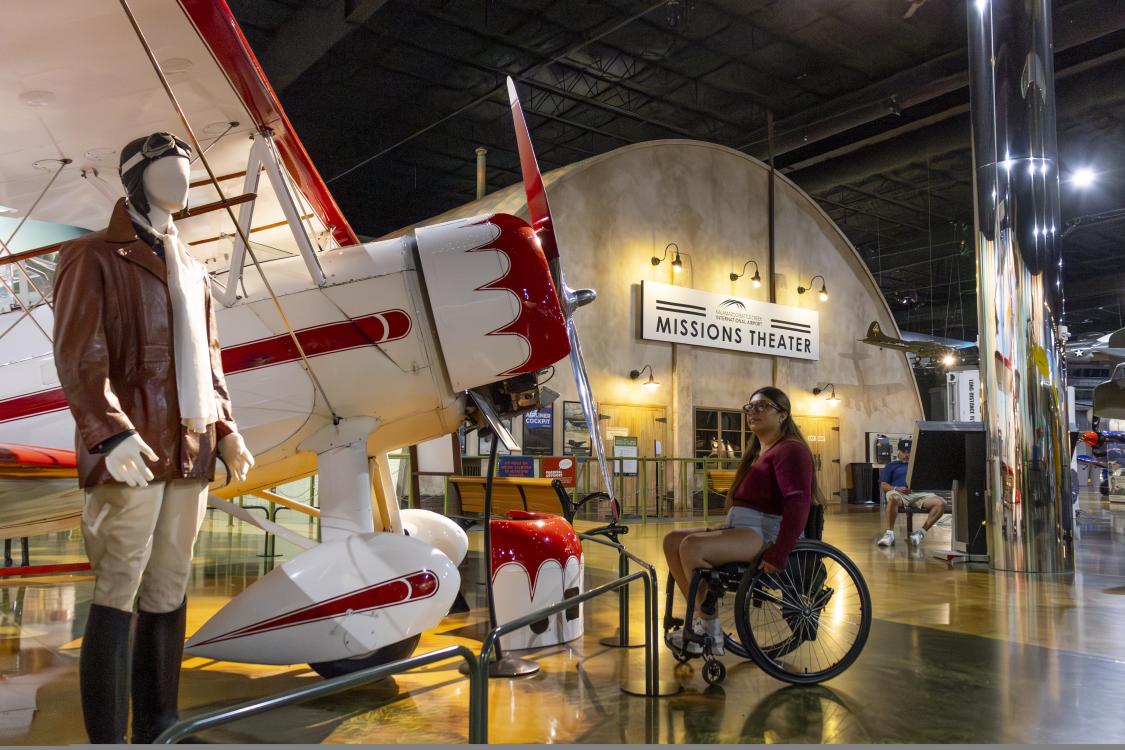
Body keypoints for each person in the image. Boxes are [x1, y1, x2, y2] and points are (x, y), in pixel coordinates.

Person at [52, 132, 254, 743]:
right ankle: (109, 739)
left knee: (168, 585)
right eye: (167, 168)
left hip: (189, 445)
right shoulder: (91, 256)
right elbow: (79, 356)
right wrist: (110, 434)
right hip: (133, 448)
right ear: (137, 178)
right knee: (118, 588)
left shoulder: (189, 263)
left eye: (186, 168)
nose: (182, 179)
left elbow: (210, 360)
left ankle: (160, 725)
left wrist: (225, 429)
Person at [663, 386, 816, 655]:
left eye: (762, 406)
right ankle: (701, 617)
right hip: (745, 527)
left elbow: (798, 502)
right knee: (672, 540)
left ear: (782, 415)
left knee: (691, 547)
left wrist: (780, 551)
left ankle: (708, 630)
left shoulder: (791, 450)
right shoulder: (761, 451)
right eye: (750, 407)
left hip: (767, 531)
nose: (753, 412)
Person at [875, 439, 944, 547]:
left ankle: (920, 533)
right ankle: (889, 534)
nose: (906, 454)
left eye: (909, 452)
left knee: (940, 503)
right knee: (893, 498)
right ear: (898, 452)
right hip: (899, 493)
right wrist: (896, 488)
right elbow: (883, 485)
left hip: (919, 493)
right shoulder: (891, 465)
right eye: (903, 451)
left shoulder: (921, 465)